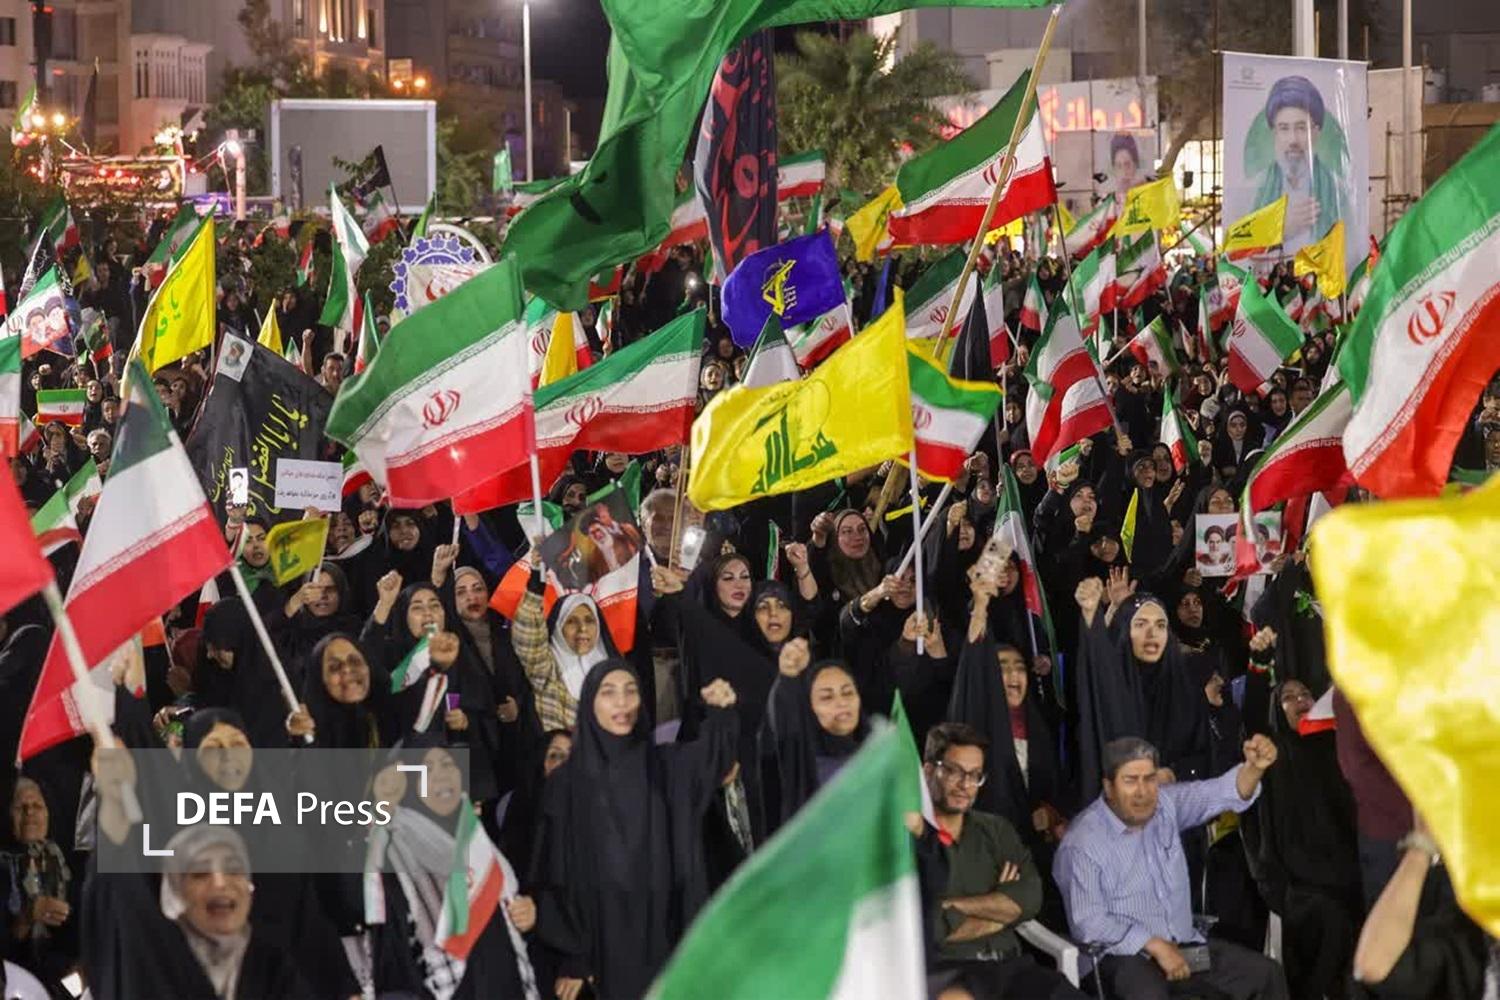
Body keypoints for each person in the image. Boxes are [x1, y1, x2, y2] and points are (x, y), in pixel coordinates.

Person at [533, 660, 738, 999]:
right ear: (590, 703)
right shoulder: (565, 784)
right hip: (604, 941)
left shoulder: (665, 765)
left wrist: (721, 712)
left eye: (631, 691)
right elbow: (555, 873)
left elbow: (713, 759)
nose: (622, 702)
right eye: (609, 692)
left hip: (666, 929)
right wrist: (575, 955)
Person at [1053, 736, 1289, 1000]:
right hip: (1120, 958)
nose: (1142, 792)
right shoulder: (1082, 842)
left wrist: (1254, 768)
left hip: (1183, 946)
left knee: (1266, 975)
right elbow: (1088, 923)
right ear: (1109, 787)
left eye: (1149, 779)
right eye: (1130, 781)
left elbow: (1219, 792)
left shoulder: (1165, 805)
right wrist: (1152, 944)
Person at [914, 723, 1086, 1000]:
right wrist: (1001, 911)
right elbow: (927, 927)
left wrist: (952, 905)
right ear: (929, 771)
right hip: (949, 973)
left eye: (975, 775)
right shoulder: (910, 838)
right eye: (954, 771)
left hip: (1009, 966)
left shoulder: (996, 829)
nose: (965, 785)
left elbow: (1030, 897)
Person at [1241, 677, 1362, 1000]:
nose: (1300, 700)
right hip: (1300, 886)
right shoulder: (1274, 754)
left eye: (1306, 694)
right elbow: (1253, 722)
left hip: (1351, 874)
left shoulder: (1337, 749)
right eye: (1288, 697)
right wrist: (1259, 666)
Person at [1249, 75, 1348, 253]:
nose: (1293, 140)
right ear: (1274, 134)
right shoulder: (1255, 188)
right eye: (1284, 128)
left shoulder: (1337, 190)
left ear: (1316, 133)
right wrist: (1281, 229)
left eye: (1301, 128)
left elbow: (1351, 249)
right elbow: (1237, 252)